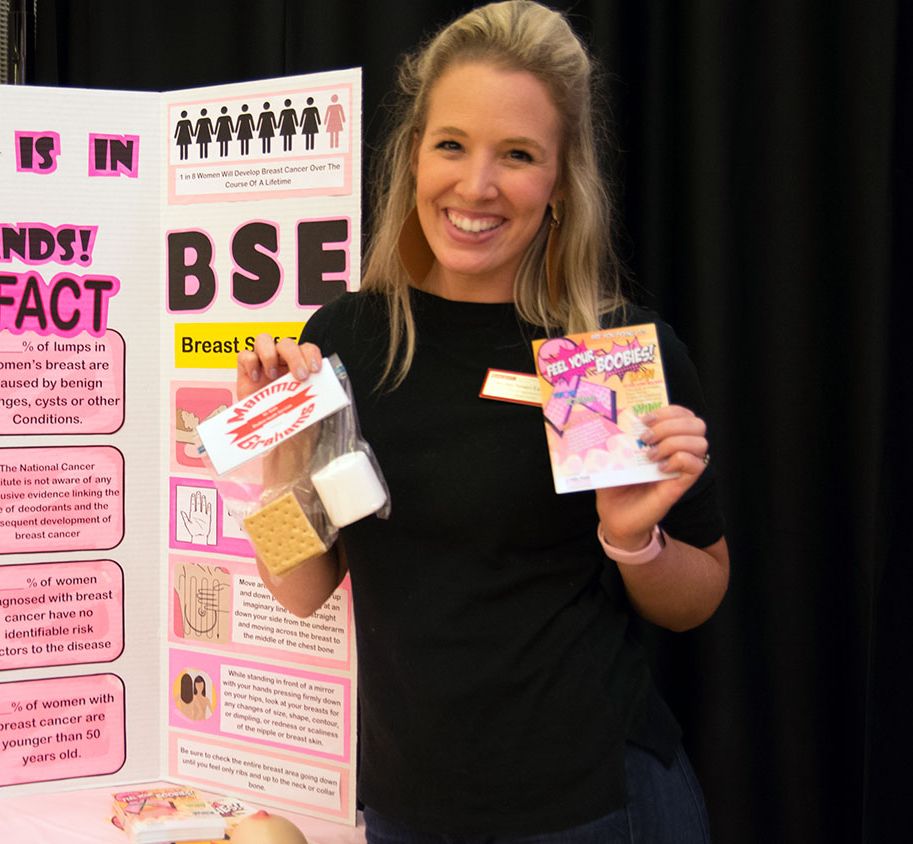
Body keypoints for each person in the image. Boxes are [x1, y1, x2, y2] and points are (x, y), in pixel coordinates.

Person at [234, 2, 728, 840]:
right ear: (413, 155)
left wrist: (631, 541)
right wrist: (282, 467)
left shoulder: (602, 353)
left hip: (595, 805)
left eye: (519, 156)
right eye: (452, 145)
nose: (476, 187)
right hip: (409, 805)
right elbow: (305, 590)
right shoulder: (349, 340)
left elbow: (697, 599)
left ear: (562, 183)